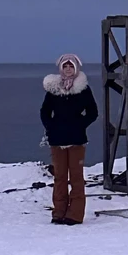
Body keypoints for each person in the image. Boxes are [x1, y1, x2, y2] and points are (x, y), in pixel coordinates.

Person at [40, 54, 99, 225]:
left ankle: (75, 214)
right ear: (60, 69)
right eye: (65, 66)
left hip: (76, 139)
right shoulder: (54, 89)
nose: (68, 69)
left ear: (76, 68)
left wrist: (79, 125)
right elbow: (44, 111)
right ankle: (59, 212)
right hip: (57, 139)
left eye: (71, 66)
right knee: (59, 177)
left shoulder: (83, 89)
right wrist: (51, 127)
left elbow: (93, 112)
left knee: (76, 177)